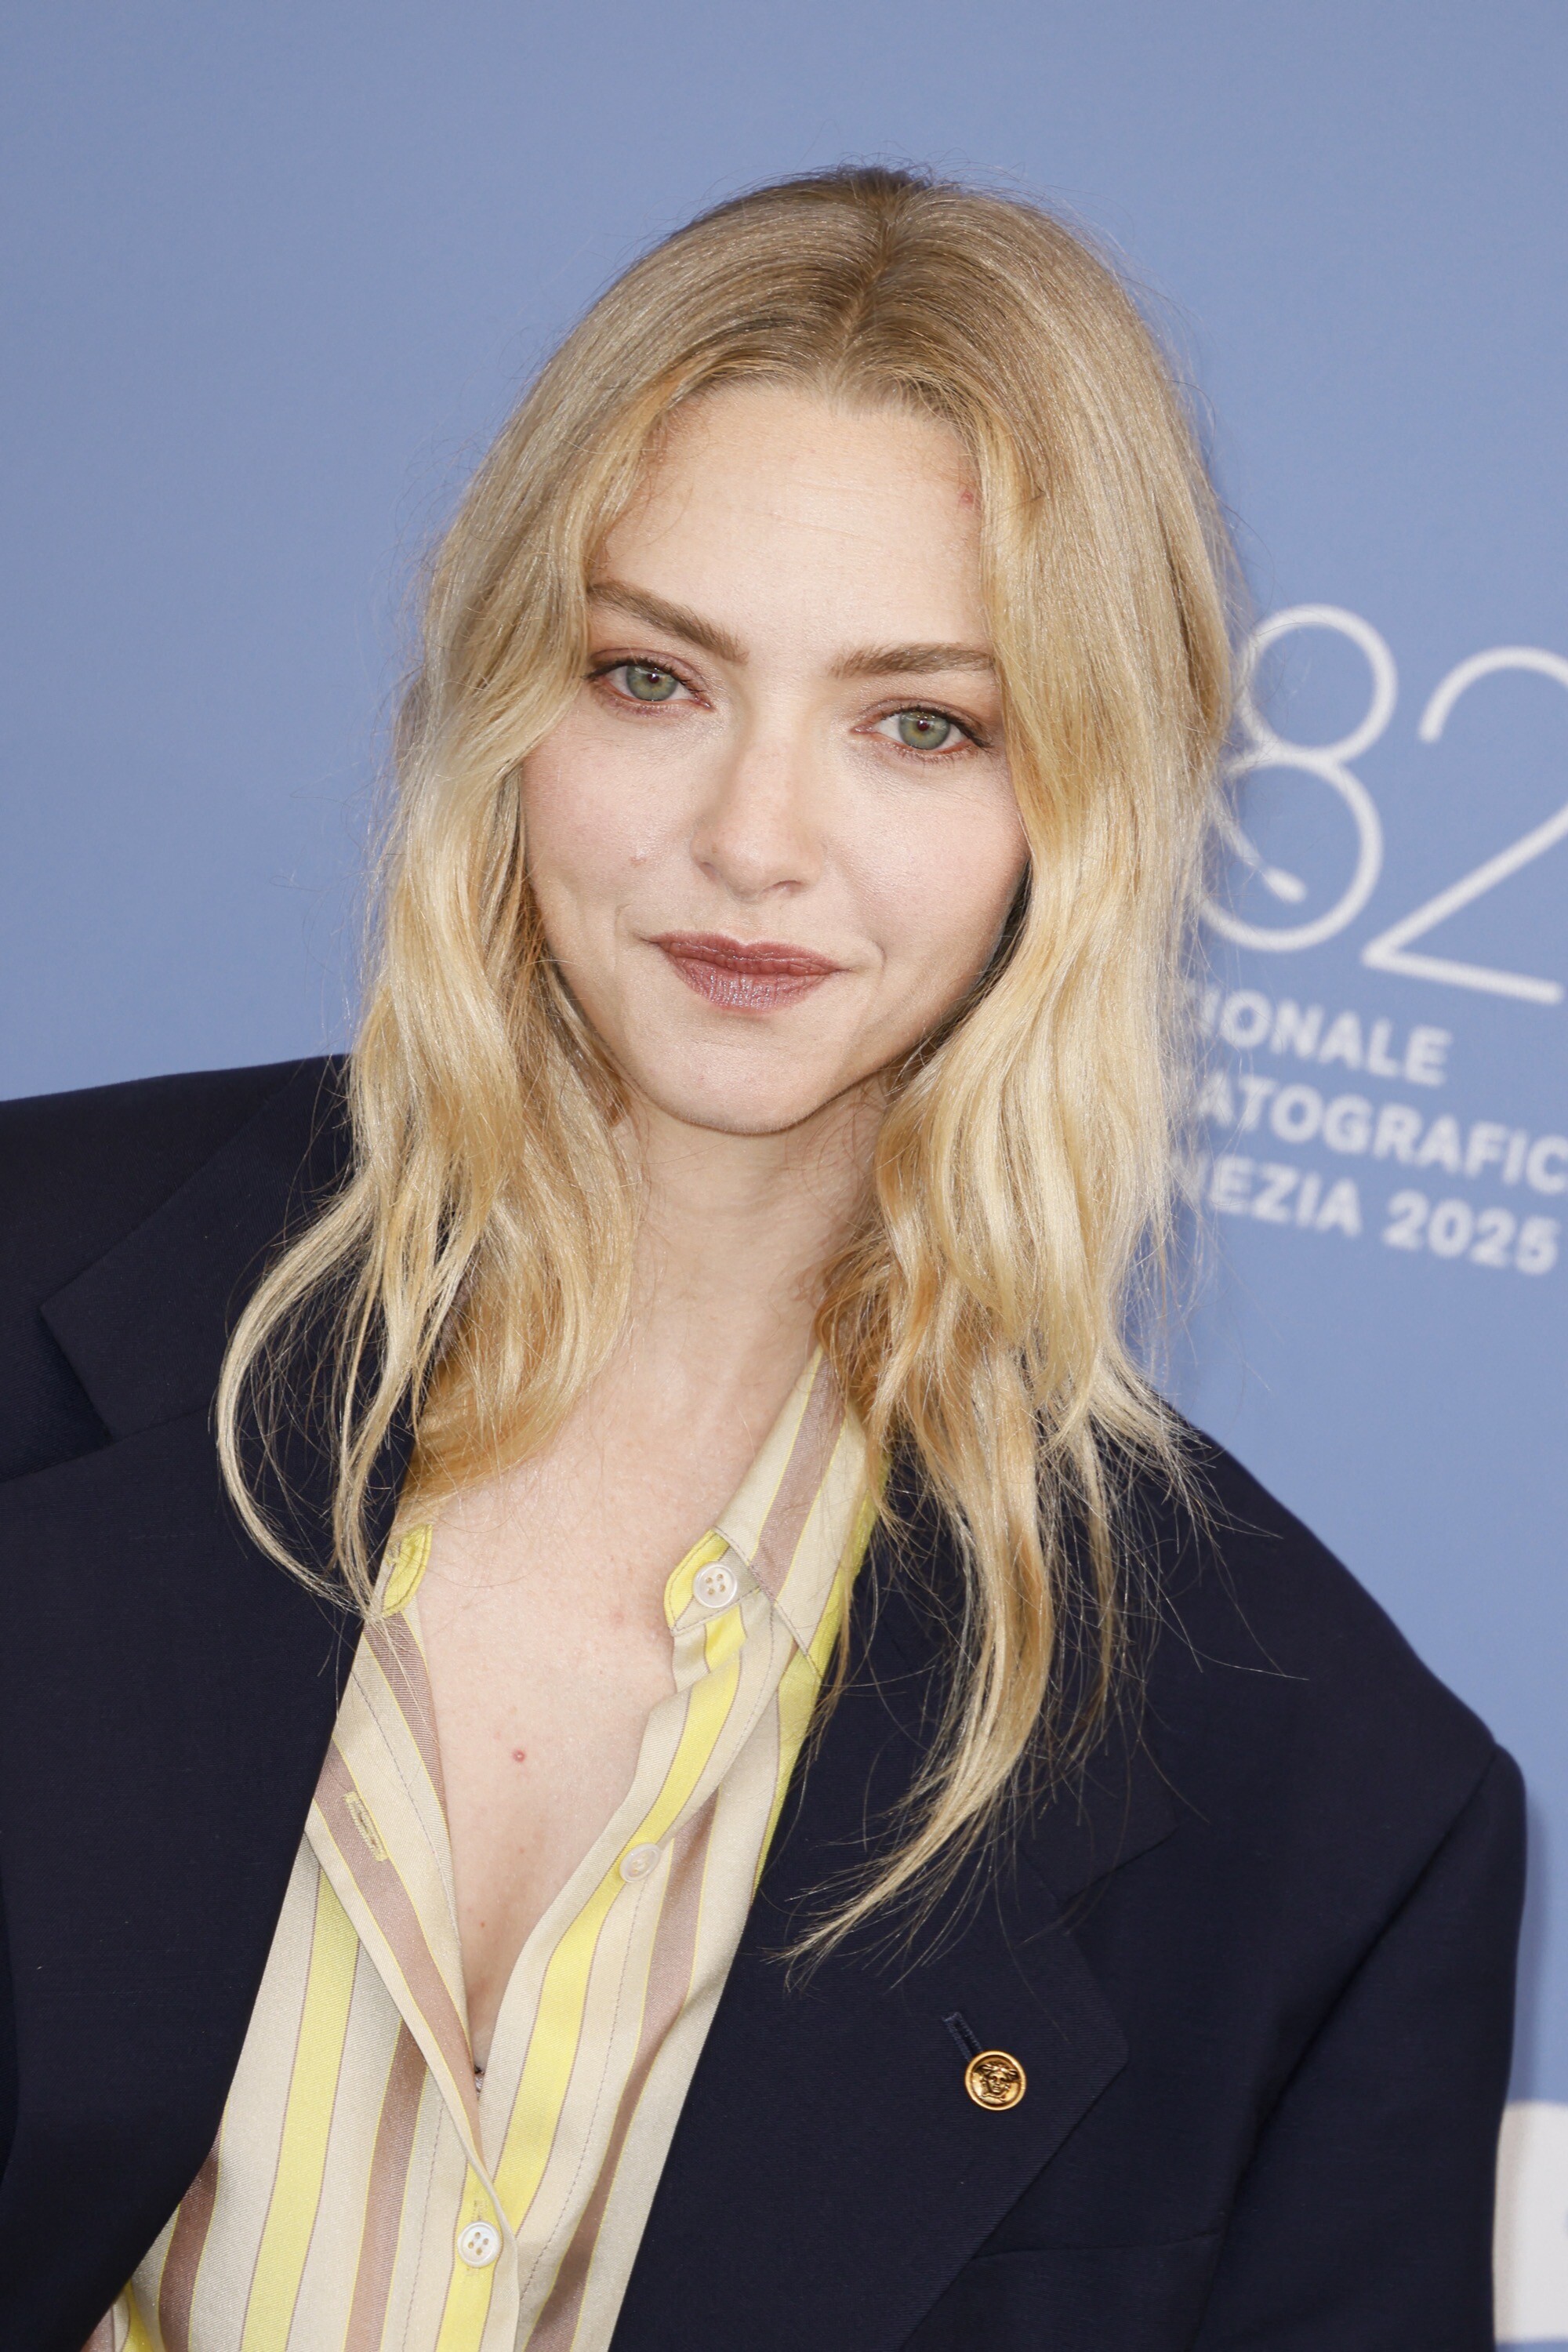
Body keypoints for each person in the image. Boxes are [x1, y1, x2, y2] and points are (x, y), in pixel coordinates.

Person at [0, 166, 1521, 2352]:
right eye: (653, 678)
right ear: (505, 696)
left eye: (924, 722)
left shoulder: (1322, 1800)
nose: (752, 840)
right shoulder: (34, 1299)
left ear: (1085, 800)